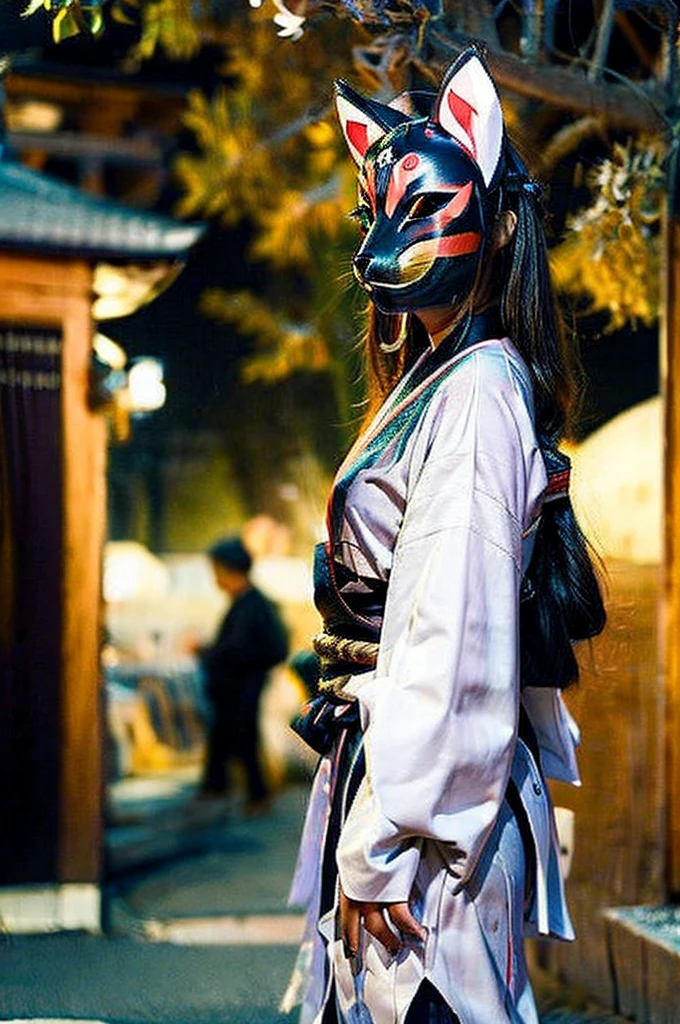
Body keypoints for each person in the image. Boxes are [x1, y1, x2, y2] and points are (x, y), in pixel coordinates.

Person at [283, 48, 606, 1024]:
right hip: (401, 791)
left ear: (498, 220)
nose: (387, 239)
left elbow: (449, 641)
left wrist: (379, 844)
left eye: (421, 210)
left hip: (422, 830)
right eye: (374, 212)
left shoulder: (474, 391)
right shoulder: (451, 381)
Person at [198, 535, 289, 812]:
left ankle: (255, 796)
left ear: (228, 570)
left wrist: (205, 651)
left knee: (243, 738)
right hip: (239, 686)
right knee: (232, 737)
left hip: (243, 686)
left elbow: (237, 649)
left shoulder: (251, 605)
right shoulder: (250, 602)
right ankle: (223, 789)